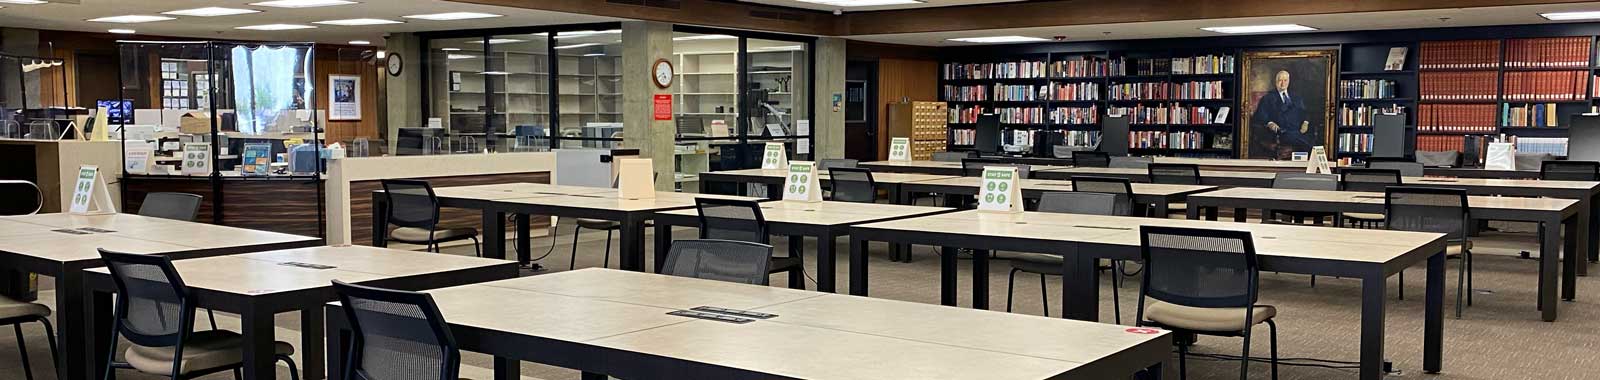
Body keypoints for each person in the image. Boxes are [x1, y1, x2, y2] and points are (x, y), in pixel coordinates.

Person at [1249, 70, 1315, 159]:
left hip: (1298, 130)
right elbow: (1260, 115)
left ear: (1289, 81)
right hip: (1281, 131)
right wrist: (1269, 123)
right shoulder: (1268, 98)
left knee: (1311, 140)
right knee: (1306, 144)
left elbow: (1305, 112)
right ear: (1276, 82)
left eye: (1285, 80)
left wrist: (1306, 122)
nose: (1283, 83)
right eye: (1280, 80)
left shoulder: (1296, 97)